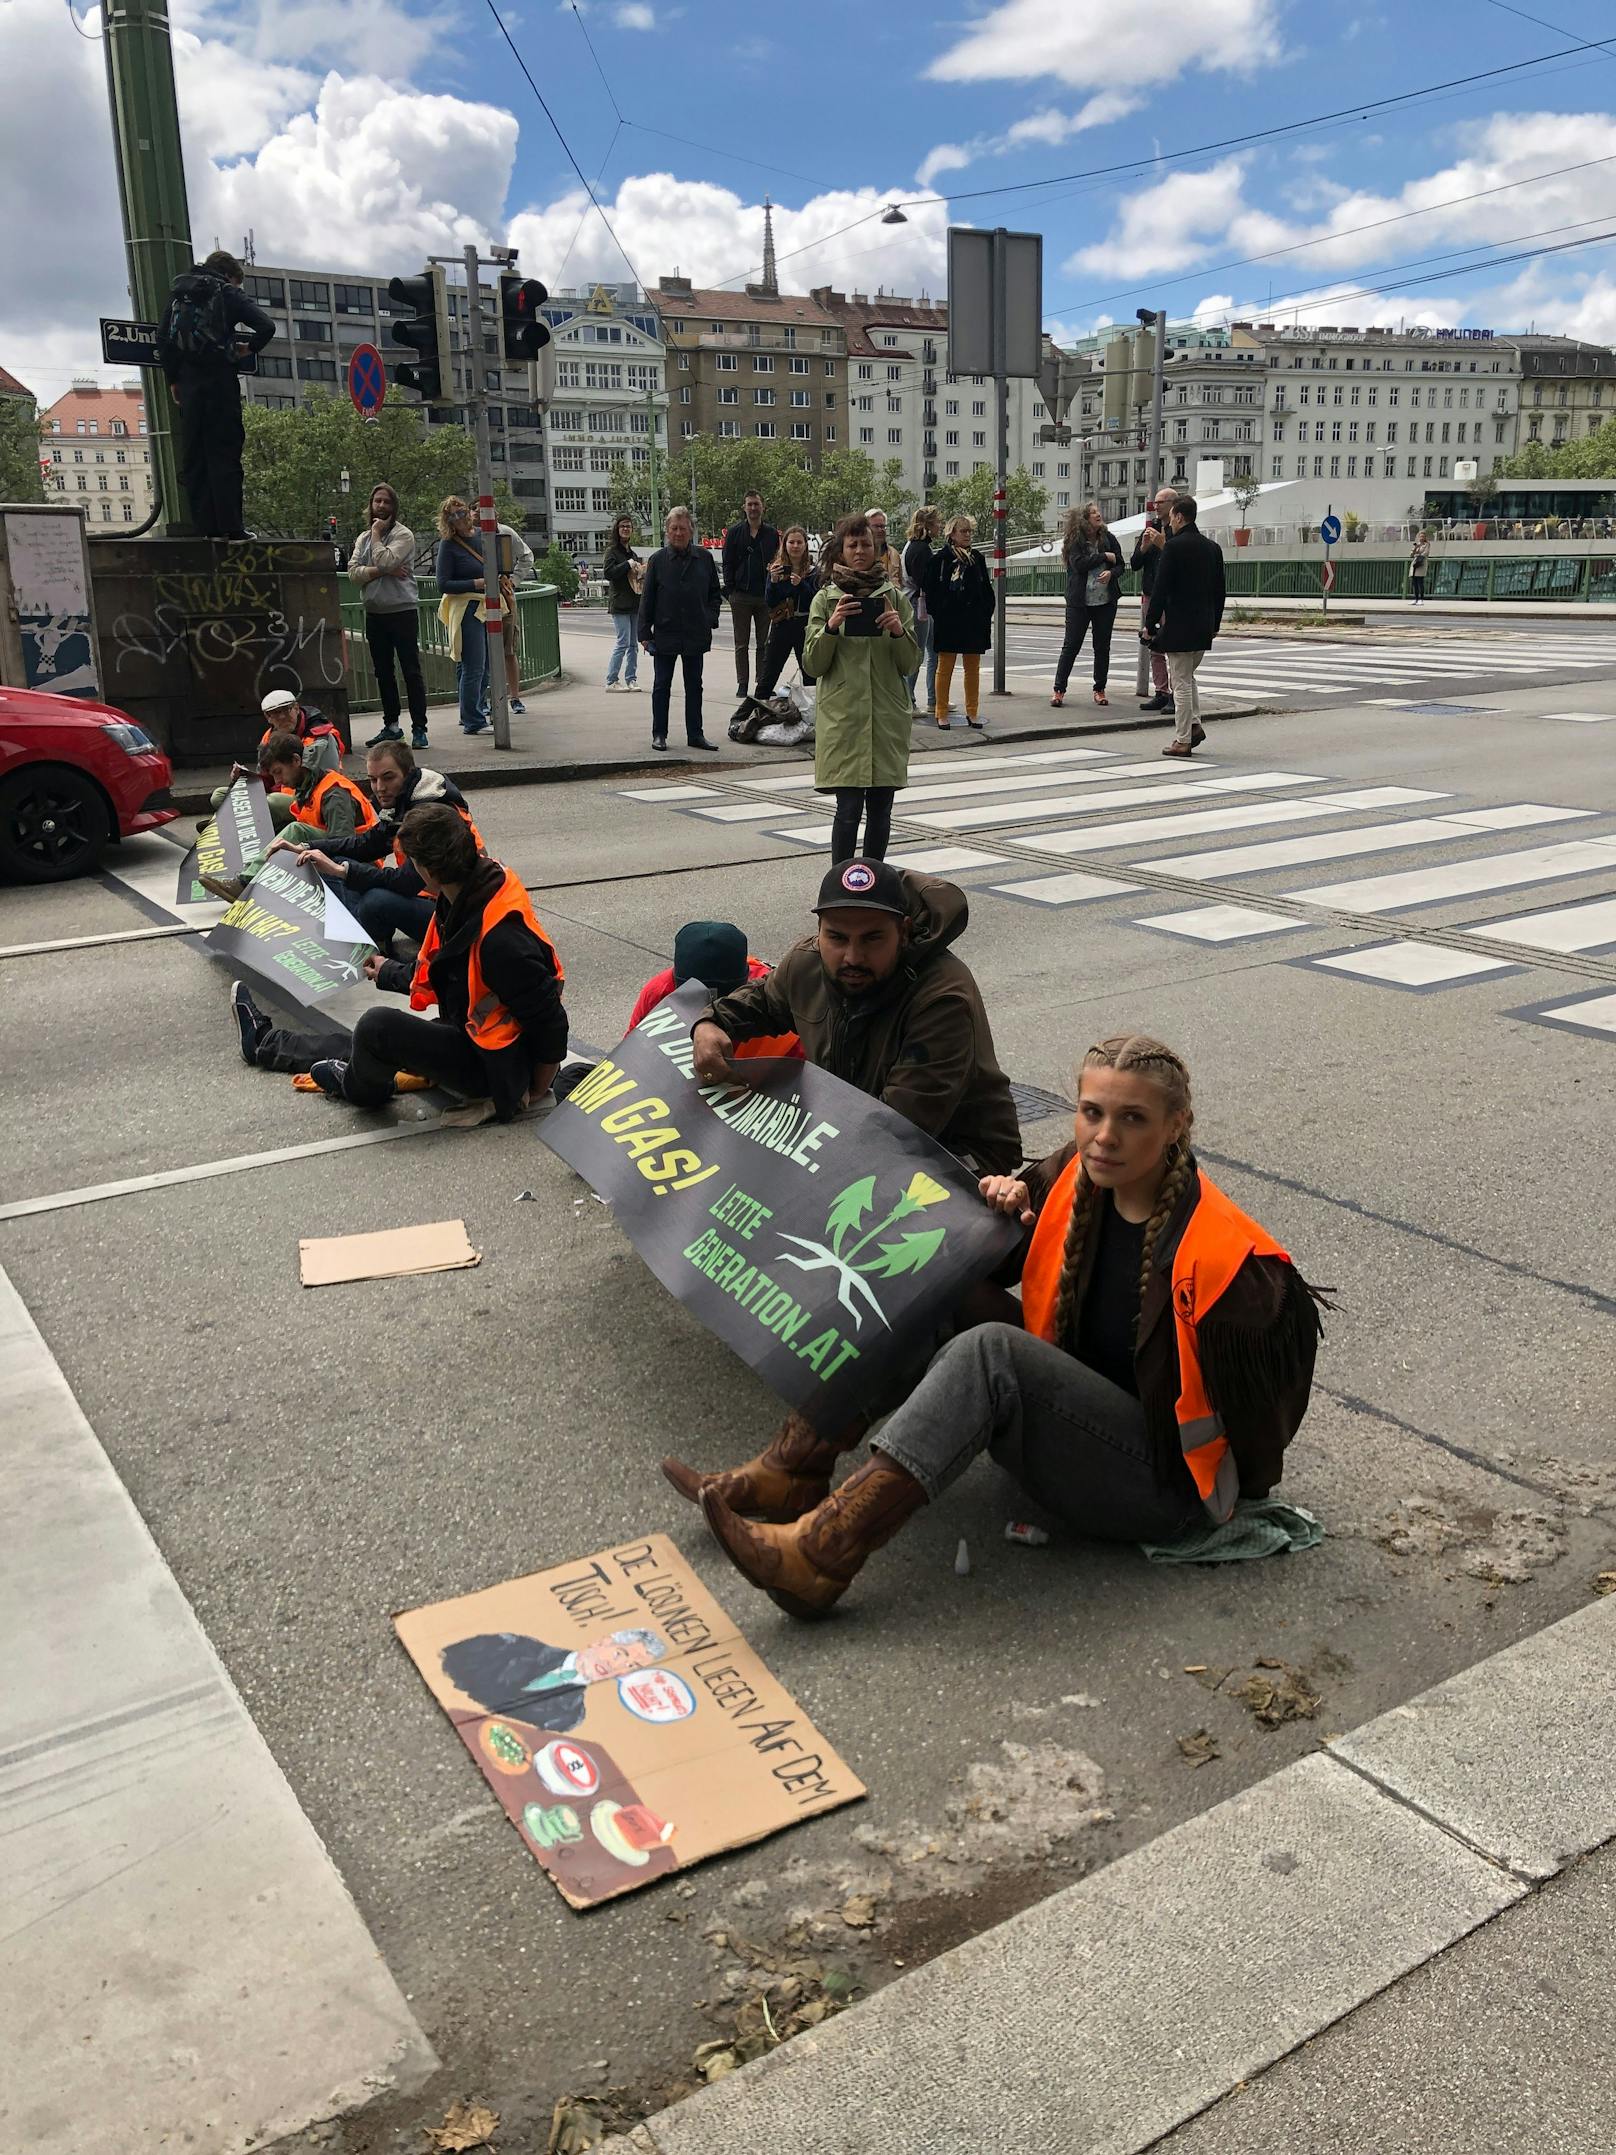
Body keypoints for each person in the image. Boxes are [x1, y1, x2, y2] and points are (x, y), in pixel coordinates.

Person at [695, 1032, 1328, 1619]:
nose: (1104, 1137)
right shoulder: (1073, 1176)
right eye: (1092, 1113)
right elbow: (992, 1271)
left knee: (993, 1352)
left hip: (1165, 1490)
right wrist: (997, 1205)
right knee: (937, 1286)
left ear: (1176, 1127)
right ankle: (790, 1470)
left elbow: (1261, 1437)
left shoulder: (1229, 1265)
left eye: (1132, 1119)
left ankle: (820, 1554)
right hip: (1075, 1426)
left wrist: (1219, 1505)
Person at [664, 858, 1022, 1521]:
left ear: (904, 932)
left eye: (871, 939)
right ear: (820, 933)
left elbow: (899, 1139)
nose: (851, 955)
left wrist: (795, 1180)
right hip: (857, 1143)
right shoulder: (809, 963)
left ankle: (797, 1465)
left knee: (887, 1282)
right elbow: (756, 1002)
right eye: (838, 937)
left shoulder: (941, 995)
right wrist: (709, 1025)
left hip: (956, 1163)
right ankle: (803, 1462)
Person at [298, 803, 567, 1119]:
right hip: (476, 1041)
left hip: (496, 1067)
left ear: (428, 870)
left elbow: (550, 1021)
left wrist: (533, 1093)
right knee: (373, 1036)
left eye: (411, 863)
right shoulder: (468, 893)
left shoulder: (500, 940)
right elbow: (446, 971)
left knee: (376, 1027)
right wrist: (389, 971)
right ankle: (293, 1049)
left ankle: (359, 1088)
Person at [285, 739, 479, 952]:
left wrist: (342, 872)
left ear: (408, 773)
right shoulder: (406, 800)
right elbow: (366, 844)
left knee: (374, 900)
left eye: (388, 778)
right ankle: (358, 927)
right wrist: (306, 847)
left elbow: (405, 882)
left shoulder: (429, 815)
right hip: (429, 897)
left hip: (454, 912)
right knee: (333, 860)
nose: (379, 788)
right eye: (373, 780)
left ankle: (366, 940)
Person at [803, 513, 918, 861]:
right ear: (840, 551)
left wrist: (898, 631)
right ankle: (842, 891)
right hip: (845, 720)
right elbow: (812, 664)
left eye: (866, 544)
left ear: (877, 548)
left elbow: (910, 664)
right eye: (852, 544)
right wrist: (833, 627)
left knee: (881, 812)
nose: (859, 550)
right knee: (848, 810)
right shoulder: (825, 600)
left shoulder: (895, 599)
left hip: (885, 720)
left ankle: (874, 887)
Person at [155, 248, 276, 540]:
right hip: (220, 381)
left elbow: (163, 337)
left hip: (188, 383)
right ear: (229, 275)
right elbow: (266, 325)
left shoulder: (179, 292)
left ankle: (204, 528)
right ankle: (231, 528)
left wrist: (174, 379)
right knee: (224, 452)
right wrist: (249, 348)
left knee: (195, 455)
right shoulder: (226, 292)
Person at [200, 730, 376, 900]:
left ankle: (245, 883)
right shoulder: (307, 784)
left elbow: (344, 845)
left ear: (296, 760)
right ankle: (250, 867)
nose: (277, 781)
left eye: (278, 772)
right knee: (284, 827)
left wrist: (302, 845)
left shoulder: (334, 793)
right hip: (330, 850)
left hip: (358, 864)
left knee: (295, 830)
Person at [438, 1627, 667, 1736]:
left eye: (630, 1667)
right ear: (602, 1642)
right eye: (620, 1654)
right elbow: (443, 1664)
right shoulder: (509, 1645)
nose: (615, 1666)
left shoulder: (570, 1717)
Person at [349, 483, 429, 751]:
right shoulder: (361, 538)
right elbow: (353, 573)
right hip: (375, 613)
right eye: (377, 501)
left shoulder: (403, 535)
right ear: (371, 505)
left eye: (386, 502)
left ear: (394, 507)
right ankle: (392, 726)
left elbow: (385, 561)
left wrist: (376, 537)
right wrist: (384, 570)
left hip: (402, 611)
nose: (381, 506)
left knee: (411, 671)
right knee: (383, 672)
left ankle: (419, 728)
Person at [1144, 495, 1224, 759]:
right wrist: (1215, 623)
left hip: (1180, 625)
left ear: (1178, 516)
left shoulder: (1174, 547)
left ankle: (1182, 739)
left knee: (1180, 683)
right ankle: (1194, 725)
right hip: (1203, 626)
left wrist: (1151, 624)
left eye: (1173, 518)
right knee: (1188, 677)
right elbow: (1219, 591)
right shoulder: (1213, 548)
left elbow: (1160, 589)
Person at [638, 505, 722, 752]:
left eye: (682, 528)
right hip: (666, 631)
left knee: (694, 685)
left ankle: (695, 734)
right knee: (662, 684)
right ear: (667, 531)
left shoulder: (704, 558)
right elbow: (647, 599)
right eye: (673, 528)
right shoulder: (657, 561)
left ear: (691, 531)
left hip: (696, 631)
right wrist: (644, 633)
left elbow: (715, 594)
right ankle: (659, 733)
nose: (678, 533)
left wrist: (710, 617)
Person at [206, 686, 343, 827]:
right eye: (276, 713)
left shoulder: (322, 736)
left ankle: (229, 824)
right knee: (219, 796)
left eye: (287, 710)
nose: (282, 717)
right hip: (273, 796)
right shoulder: (268, 738)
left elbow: (327, 781)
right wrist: (245, 778)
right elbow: (266, 778)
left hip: (307, 800)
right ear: (268, 717)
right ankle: (236, 823)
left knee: (272, 801)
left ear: (296, 708)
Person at [1050, 502, 1124, 709]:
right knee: (1071, 645)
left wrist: (1111, 573)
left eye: (1098, 512)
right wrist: (1103, 557)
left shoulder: (1109, 538)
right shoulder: (1076, 541)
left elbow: (1120, 564)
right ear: (1084, 519)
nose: (1098, 515)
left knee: (1102, 647)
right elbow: (1079, 564)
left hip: (1105, 601)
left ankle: (1099, 689)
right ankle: (1059, 690)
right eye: (1092, 513)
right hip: (1079, 602)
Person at [924, 513, 993, 731]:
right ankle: (941, 712)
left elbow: (985, 589)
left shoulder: (977, 558)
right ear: (951, 534)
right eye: (963, 531)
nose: (968, 535)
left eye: (969, 531)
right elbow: (930, 590)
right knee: (945, 667)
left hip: (973, 621)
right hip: (949, 621)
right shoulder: (940, 560)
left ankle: (972, 712)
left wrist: (985, 612)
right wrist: (940, 611)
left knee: (972, 668)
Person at [435, 498, 490, 736]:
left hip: (484, 605)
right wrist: (476, 582)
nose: (459, 518)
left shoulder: (481, 535)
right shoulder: (449, 544)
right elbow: (443, 583)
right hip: (466, 606)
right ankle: (473, 720)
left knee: (482, 664)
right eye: (452, 516)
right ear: (446, 521)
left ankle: (472, 712)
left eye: (461, 512)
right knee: (473, 665)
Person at [720, 490, 780, 696]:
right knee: (741, 643)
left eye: (756, 504)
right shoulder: (735, 532)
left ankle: (762, 683)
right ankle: (742, 683)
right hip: (741, 596)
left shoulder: (772, 534)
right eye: (749, 504)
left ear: (763, 507)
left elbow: (778, 561)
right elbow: (727, 562)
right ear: (744, 508)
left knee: (765, 643)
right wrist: (730, 591)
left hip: (765, 596)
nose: (753, 508)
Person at [752, 525, 818, 703]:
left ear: (805, 545)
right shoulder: (777, 569)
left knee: (810, 676)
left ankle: (812, 718)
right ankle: (753, 717)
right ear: (785, 544)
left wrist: (801, 585)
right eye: (791, 542)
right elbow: (770, 601)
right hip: (782, 624)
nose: (795, 546)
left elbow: (816, 601)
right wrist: (773, 581)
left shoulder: (813, 572)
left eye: (799, 542)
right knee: (768, 675)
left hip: (804, 627)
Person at [1130, 485, 1179, 714]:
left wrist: (1162, 544)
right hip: (1151, 593)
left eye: (1161, 503)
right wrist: (1143, 548)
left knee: (1172, 644)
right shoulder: (1150, 530)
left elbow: (1179, 560)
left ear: (1172, 506)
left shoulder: (1176, 532)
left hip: (1170, 596)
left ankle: (1176, 694)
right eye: (1155, 503)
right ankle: (1161, 691)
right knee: (1153, 643)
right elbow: (1134, 564)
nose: (1156, 507)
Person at [901, 506, 941, 716]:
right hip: (919, 605)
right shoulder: (922, 549)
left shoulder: (912, 546)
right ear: (928, 525)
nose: (940, 526)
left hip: (917, 603)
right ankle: (911, 700)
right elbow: (925, 580)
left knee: (931, 651)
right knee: (919, 654)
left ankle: (933, 699)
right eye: (937, 522)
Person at [496, 520, 536, 713]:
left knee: (509, 648)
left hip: (504, 595)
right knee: (479, 655)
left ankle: (515, 697)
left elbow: (527, 556)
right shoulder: (467, 535)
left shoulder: (505, 533)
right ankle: (484, 701)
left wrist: (514, 581)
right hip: (476, 596)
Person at [602, 513, 644, 693]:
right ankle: (611, 680)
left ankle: (631, 679)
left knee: (633, 644)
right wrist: (627, 565)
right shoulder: (612, 552)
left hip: (634, 602)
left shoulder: (632, 553)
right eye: (623, 526)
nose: (626, 529)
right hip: (620, 603)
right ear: (617, 530)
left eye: (629, 526)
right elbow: (609, 573)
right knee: (623, 642)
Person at [865, 507, 904, 584]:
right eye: (876, 526)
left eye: (882, 526)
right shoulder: (861, 554)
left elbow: (900, 581)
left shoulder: (894, 553)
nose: (880, 530)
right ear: (866, 528)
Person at [1409, 528, 1431, 604]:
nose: (1421, 538)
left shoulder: (1427, 544)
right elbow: (1411, 554)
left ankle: (1421, 599)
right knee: (1414, 582)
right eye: (1420, 536)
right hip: (1415, 564)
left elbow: (1426, 553)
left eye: (1423, 536)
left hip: (1421, 564)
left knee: (1420, 582)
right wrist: (1416, 548)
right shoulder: (1417, 544)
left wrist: (1418, 554)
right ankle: (1415, 598)